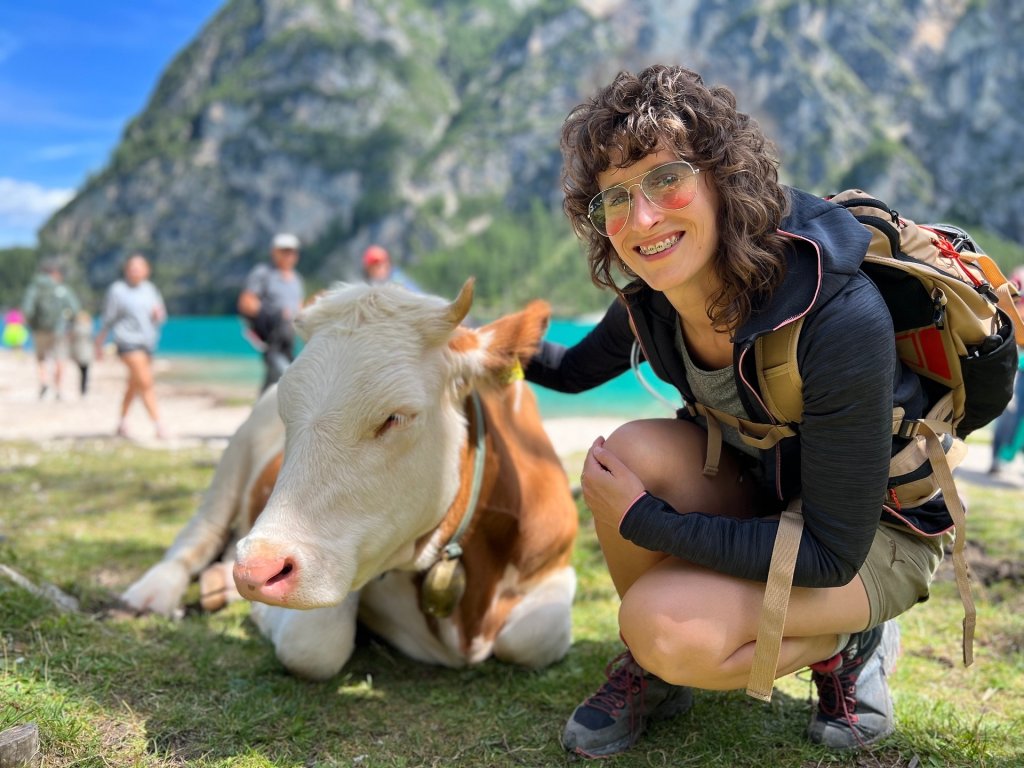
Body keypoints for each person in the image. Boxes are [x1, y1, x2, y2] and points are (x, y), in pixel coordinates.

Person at [524, 65, 949, 757]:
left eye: (667, 179)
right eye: (616, 198)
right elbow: (570, 371)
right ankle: (655, 669)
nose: (643, 218)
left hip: (870, 537)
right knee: (624, 454)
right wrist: (473, 343)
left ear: (724, 179)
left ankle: (850, 643)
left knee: (665, 627)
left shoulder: (838, 315)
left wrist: (646, 522)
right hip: (770, 497)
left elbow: (830, 551)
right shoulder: (656, 297)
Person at [95, 254, 168, 439]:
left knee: (134, 384)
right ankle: (159, 425)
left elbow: (161, 316)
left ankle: (122, 422)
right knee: (146, 382)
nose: (135, 270)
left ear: (146, 270)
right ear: (126, 270)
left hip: (147, 343)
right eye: (132, 266)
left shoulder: (151, 289)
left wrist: (157, 315)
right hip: (127, 341)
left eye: (139, 266)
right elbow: (108, 317)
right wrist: (99, 342)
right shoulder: (118, 290)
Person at [238, 233, 305, 392]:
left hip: (289, 340)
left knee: (277, 379)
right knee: (284, 375)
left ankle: (260, 412)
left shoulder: (297, 279)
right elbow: (246, 302)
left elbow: (299, 309)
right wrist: (274, 314)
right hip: (271, 338)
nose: (289, 255)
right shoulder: (263, 273)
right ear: (275, 252)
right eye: (284, 251)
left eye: (292, 251)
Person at [20, 258, 80, 400]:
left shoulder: (34, 287)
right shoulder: (61, 288)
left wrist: (31, 324)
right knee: (60, 358)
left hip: (39, 329)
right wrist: (69, 324)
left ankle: (43, 381)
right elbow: (75, 309)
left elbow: (27, 309)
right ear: (55, 273)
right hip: (58, 329)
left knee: (41, 357)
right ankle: (58, 388)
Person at [989, 269, 1024, 475]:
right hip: (1015, 346)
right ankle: (997, 459)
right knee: (1009, 409)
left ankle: (1003, 457)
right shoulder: (1020, 276)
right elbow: (1005, 300)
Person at [70, 309, 95, 397]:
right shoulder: (89, 327)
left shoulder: (75, 328)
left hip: (79, 352)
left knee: (81, 372)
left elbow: (72, 340)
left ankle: (82, 389)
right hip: (87, 353)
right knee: (85, 372)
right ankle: (84, 389)